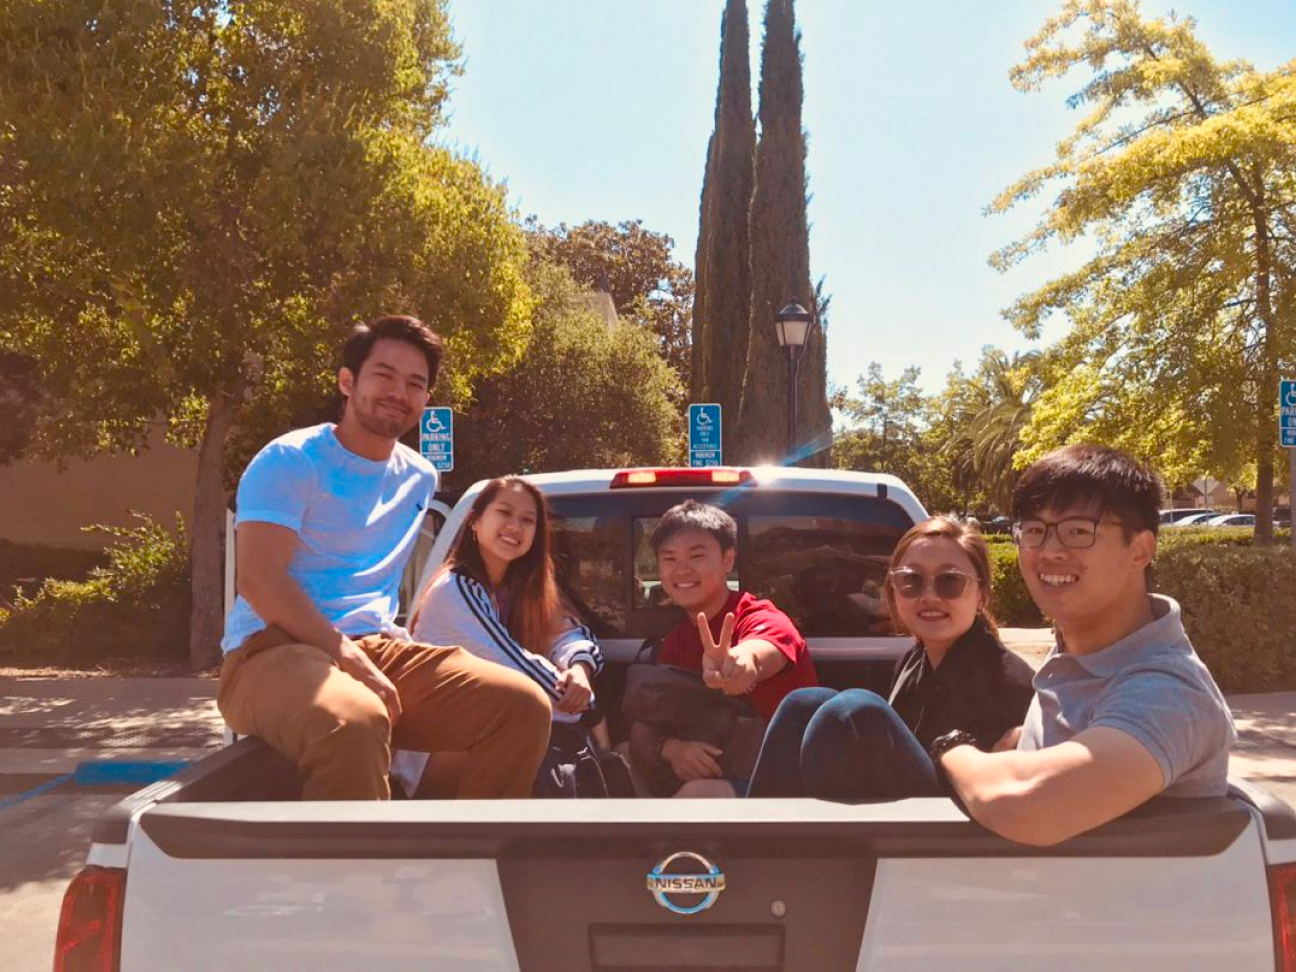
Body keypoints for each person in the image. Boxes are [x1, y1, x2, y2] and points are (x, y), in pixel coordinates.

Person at [217, 315, 552, 801]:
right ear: (347, 381)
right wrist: (346, 655)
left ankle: (454, 857)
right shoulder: (291, 460)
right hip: (267, 653)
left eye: (415, 383)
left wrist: (367, 653)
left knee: (522, 706)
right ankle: (359, 875)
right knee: (355, 720)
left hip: (374, 647)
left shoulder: (418, 477)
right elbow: (260, 581)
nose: (399, 392)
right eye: (384, 375)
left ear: (425, 400)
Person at [934, 444, 1236, 846]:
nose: (1050, 551)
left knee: (852, 718)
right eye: (1034, 531)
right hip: (1045, 902)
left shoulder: (1169, 692)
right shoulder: (1077, 656)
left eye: (1078, 531)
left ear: (1140, 550)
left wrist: (950, 748)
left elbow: (1025, 805)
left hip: (1104, 907)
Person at [747, 516, 1035, 800]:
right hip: (908, 812)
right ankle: (757, 841)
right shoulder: (914, 662)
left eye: (950, 581)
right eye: (911, 581)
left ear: (982, 594)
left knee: (854, 712)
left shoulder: (1008, 683)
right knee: (803, 703)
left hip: (955, 831)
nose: (930, 596)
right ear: (893, 592)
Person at [412, 476, 623, 795]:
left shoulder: (524, 589)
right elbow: (513, 664)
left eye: (528, 520)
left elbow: (569, 633)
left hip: (492, 732)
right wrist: (587, 707)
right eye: (504, 512)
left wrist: (579, 670)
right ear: (475, 521)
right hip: (435, 753)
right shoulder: (455, 588)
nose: (515, 526)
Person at [628, 500, 818, 798]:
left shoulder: (760, 617)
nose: (682, 570)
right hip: (717, 758)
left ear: (728, 560)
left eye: (697, 555)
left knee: (697, 795)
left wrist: (736, 667)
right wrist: (673, 750)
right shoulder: (676, 640)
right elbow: (651, 721)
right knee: (623, 755)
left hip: (782, 780)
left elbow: (758, 652)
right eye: (669, 559)